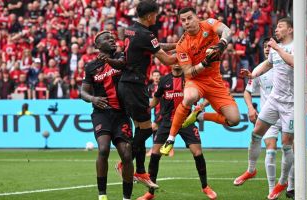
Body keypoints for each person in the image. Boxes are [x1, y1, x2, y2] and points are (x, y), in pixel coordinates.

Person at [160, 7, 240, 155]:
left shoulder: (209, 24)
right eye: (183, 20)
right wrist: (205, 62)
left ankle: (200, 115)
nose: (187, 22)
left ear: (197, 17)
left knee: (235, 120)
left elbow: (227, 30)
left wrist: (221, 44)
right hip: (196, 81)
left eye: (189, 18)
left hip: (215, 81)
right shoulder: (182, 45)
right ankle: (170, 139)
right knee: (189, 97)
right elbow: (189, 72)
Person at [116, 0, 177, 187]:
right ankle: (124, 163)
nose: (157, 17)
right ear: (150, 15)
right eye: (156, 14)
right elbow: (166, 61)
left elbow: (155, 46)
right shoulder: (146, 34)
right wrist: (188, 54)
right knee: (145, 129)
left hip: (126, 84)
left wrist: (178, 44)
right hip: (135, 86)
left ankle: (141, 171)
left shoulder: (131, 30)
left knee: (139, 128)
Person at [137, 65, 217, 200]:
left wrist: (202, 105)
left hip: (186, 122)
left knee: (197, 153)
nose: (176, 63)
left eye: (178, 60)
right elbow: (156, 98)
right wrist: (147, 107)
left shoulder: (190, 79)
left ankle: (205, 187)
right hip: (167, 122)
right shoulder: (164, 80)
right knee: (155, 154)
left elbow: (210, 93)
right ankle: (150, 192)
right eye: (173, 60)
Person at [240, 17, 296, 200]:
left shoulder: (296, 46)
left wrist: (278, 48)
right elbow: (268, 64)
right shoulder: (274, 51)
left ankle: (282, 183)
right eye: (276, 26)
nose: (277, 29)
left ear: (290, 30)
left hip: (290, 104)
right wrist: (252, 74)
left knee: (287, 146)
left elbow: (295, 63)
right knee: (256, 133)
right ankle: (251, 170)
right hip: (274, 101)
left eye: (280, 27)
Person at [80, 31, 133, 200]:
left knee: (126, 154)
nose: (112, 40)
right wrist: (93, 98)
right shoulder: (91, 67)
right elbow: (83, 92)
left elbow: (122, 65)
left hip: (122, 114)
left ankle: (126, 197)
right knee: (103, 149)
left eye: (113, 38)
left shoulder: (121, 57)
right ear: (98, 45)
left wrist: (109, 60)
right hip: (101, 113)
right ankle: (102, 195)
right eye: (107, 39)